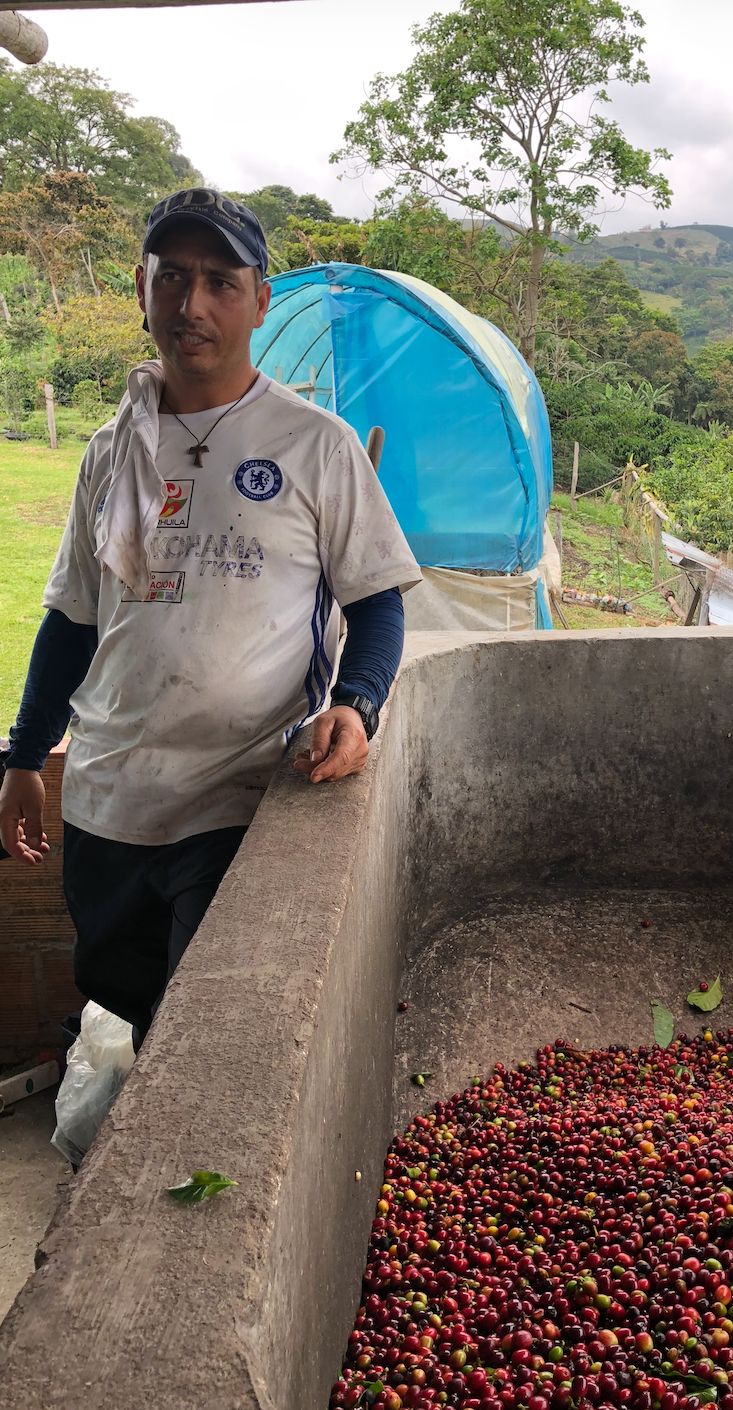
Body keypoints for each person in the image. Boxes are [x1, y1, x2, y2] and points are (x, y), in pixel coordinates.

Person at [0, 188, 421, 1046]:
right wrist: (22, 758)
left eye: (221, 282)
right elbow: (73, 621)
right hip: (108, 796)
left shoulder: (316, 445)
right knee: (128, 999)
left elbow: (375, 602)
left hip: (238, 796)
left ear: (261, 300)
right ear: (144, 287)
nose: (193, 305)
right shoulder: (111, 449)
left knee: (208, 1028)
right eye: (173, 278)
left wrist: (358, 702)